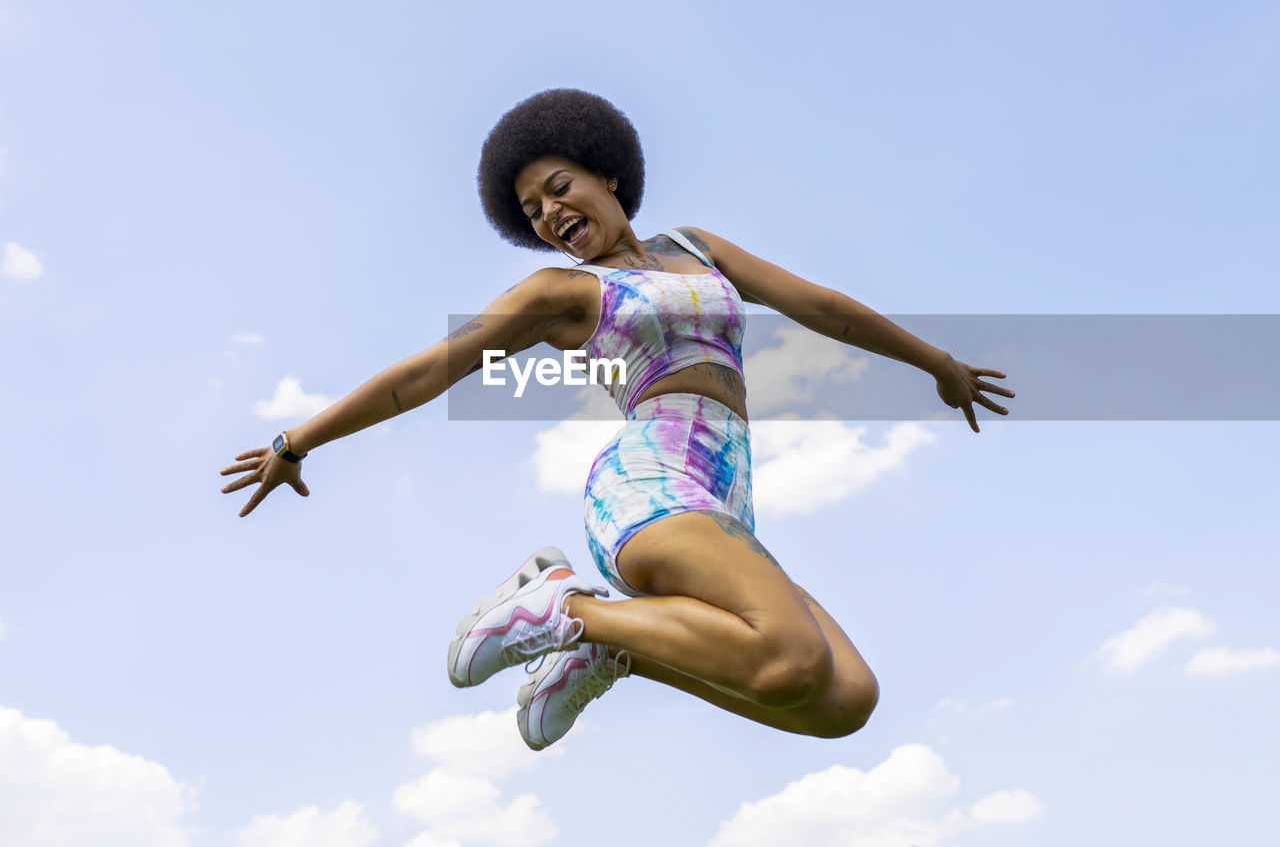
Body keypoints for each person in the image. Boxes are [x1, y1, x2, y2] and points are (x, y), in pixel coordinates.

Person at [220, 88, 1014, 750]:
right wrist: (298, 442)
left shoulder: (695, 247)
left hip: (725, 499)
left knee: (843, 702)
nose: (549, 214)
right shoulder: (560, 293)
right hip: (651, 482)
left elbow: (823, 307)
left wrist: (935, 364)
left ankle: (608, 646)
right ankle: (565, 607)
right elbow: (427, 372)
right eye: (531, 209)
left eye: (558, 187)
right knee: (789, 662)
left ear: (606, 173)